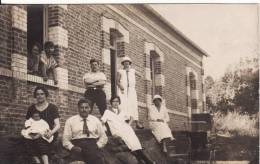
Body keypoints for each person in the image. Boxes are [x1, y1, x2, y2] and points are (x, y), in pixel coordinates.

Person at [101, 96, 155, 164]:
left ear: (119, 102)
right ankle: (150, 162)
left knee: (135, 145)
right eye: (114, 101)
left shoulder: (122, 111)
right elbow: (102, 121)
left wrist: (128, 124)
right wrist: (103, 130)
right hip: (117, 131)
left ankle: (146, 161)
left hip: (127, 129)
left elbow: (131, 117)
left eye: (117, 101)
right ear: (111, 103)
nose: (115, 103)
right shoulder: (107, 112)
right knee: (133, 145)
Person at [63, 98, 107, 164]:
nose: (84, 110)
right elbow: (65, 140)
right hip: (77, 146)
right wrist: (72, 147)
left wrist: (97, 146)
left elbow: (104, 137)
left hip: (92, 146)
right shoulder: (70, 121)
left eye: (86, 107)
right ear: (78, 108)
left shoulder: (95, 120)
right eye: (82, 107)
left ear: (90, 109)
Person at [25, 86, 61, 164]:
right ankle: (37, 160)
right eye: (37, 94)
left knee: (39, 139)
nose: (40, 96)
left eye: (42, 94)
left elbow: (57, 125)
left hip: (48, 133)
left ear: (46, 95)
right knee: (27, 139)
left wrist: (51, 132)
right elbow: (27, 123)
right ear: (35, 96)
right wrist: (30, 132)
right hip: (34, 131)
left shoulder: (52, 107)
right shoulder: (31, 108)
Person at [117, 56, 143, 129]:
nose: (127, 64)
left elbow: (140, 75)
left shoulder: (133, 71)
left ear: (130, 64)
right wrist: (120, 86)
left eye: (128, 63)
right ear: (123, 64)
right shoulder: (120, 71)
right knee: (123, 104)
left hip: (131, 90)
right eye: (125, 63)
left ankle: (137, 122)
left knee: (133, 104)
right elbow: (117, 81)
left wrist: (137, 73)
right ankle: (125, 120)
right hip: (123, 90)